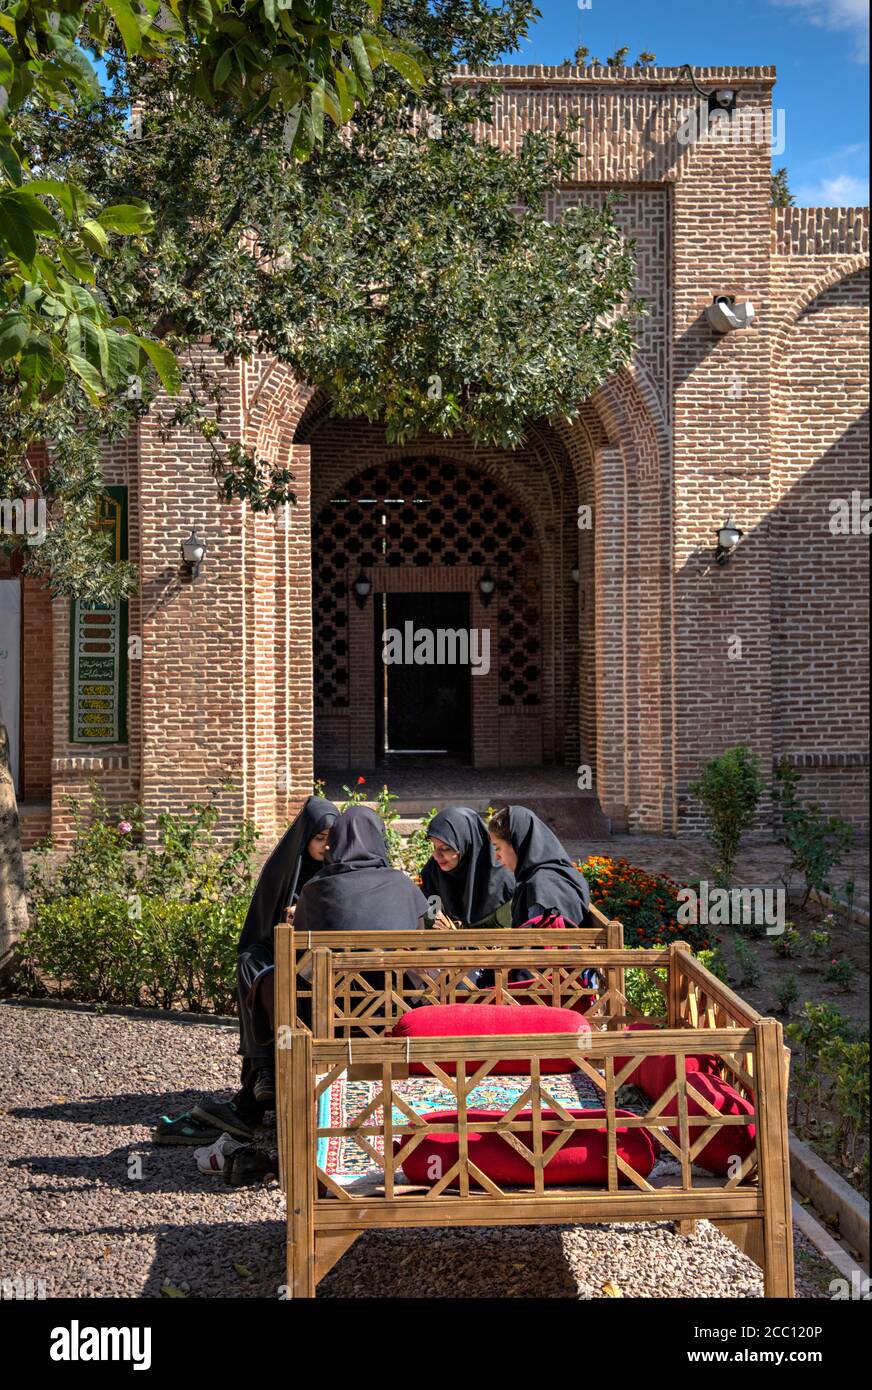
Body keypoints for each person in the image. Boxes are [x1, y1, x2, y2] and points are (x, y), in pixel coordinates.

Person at [187, 795, 338, 1142]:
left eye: (331, 838)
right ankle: (263, 1068)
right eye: (319, 838)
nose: (326, 846)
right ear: (305, 839)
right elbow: (259, 933)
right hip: (281, 963)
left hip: (321, 969)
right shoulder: (283, 871)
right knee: (251, 963)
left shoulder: (342, 871)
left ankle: (262, 1075)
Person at [293, 804, 430, 934]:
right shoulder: (403, 884)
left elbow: (301, 942)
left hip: (335, 959)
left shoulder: (315, 888)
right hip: (392, 959)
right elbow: (419, 939)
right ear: (377, 838)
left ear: (336, 840)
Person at [487, 805, 590, 927]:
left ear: (517, 843)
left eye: (498, 848)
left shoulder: (540, 886)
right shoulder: (562, 872)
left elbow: (540, 942)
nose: (496, 857)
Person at [421, 807, 515, 929]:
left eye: (445, 848)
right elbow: (430, 923)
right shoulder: (432, 875)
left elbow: (515, 937)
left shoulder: (502, 883)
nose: (436, 855)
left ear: (468, 846)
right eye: (434, 846)